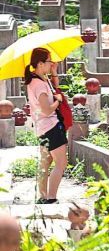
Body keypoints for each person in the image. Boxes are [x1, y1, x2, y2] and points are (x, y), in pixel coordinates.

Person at [24, 48, 68, 204]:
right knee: (61, 163)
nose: (51, 64)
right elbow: (46, 109)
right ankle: (51, 198)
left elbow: (53, 88)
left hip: (42, 128)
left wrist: (54, 72)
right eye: (49, 61)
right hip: (51, 127)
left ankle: (43, 197)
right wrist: (58, 101)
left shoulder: (36, 80)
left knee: (46, 163)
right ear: (41, 63)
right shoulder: (39, 85)